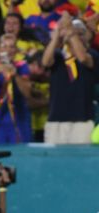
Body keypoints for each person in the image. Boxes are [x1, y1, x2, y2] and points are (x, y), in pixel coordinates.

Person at [42, 12, 99, 144]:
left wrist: (70, 31)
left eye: (80, 34)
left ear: (87, 38)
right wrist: (57, 35)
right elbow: (45, 62)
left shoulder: (93, 55)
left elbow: (83, 58)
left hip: (82, 121)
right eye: (73, 33)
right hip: (55, 121)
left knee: (81, 161)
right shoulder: (57, 56)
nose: (75, 36)